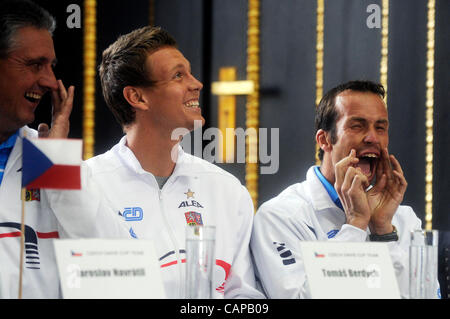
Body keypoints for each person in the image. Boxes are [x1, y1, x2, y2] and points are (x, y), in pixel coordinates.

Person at [88, 25, 264, 298]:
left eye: (190, 73)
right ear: (137, 97)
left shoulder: (227, 189)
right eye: (178, 75)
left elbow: (243, 295)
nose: (196, 84)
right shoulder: (88, 186)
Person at [0, 0, 130, 299]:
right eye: (35, 64)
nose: (48, 81)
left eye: (51, 66)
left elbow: (120, 270)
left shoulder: (46, 157)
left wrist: (58, 165)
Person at [250, 80, 427, 298]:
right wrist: (355, 225)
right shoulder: (280, 216)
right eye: (357, 125)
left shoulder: (403, 218)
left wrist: (382, 232)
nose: (372, 138)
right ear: (324, 140)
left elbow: (425, 293)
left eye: (380, 128)